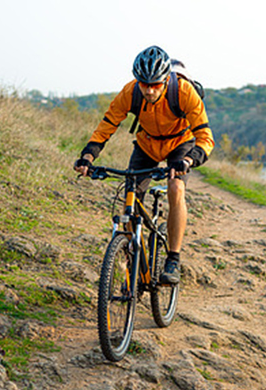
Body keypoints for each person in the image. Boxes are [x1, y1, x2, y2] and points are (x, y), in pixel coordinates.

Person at [73, 45, 214, 284]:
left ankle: (173, 258)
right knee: (130, 197)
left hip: (180, 145)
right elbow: (107, 124)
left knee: (176, 188)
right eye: (144, 84)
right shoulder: (131, 92)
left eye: (155, 85)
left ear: (165, 80)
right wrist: (88, 156)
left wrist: (189, 160)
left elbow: (206, 137)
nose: (149, 91)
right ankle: (131, 254)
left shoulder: (183, 91)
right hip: (147, 144)